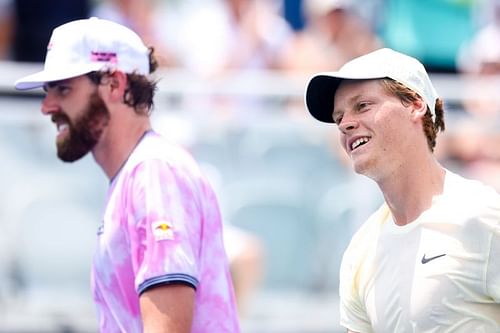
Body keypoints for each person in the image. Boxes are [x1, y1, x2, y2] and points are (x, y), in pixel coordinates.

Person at [14, 17, 240, 333]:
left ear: (115, 85)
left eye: (63, 89)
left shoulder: (154, 173)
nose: (47, 106)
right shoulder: (142, 172)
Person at [304, 48, 500, 332]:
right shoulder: (360, 251)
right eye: (339, 118)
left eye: (363, 106)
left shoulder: (483, 215)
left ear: (415, 105)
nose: (345, 124)